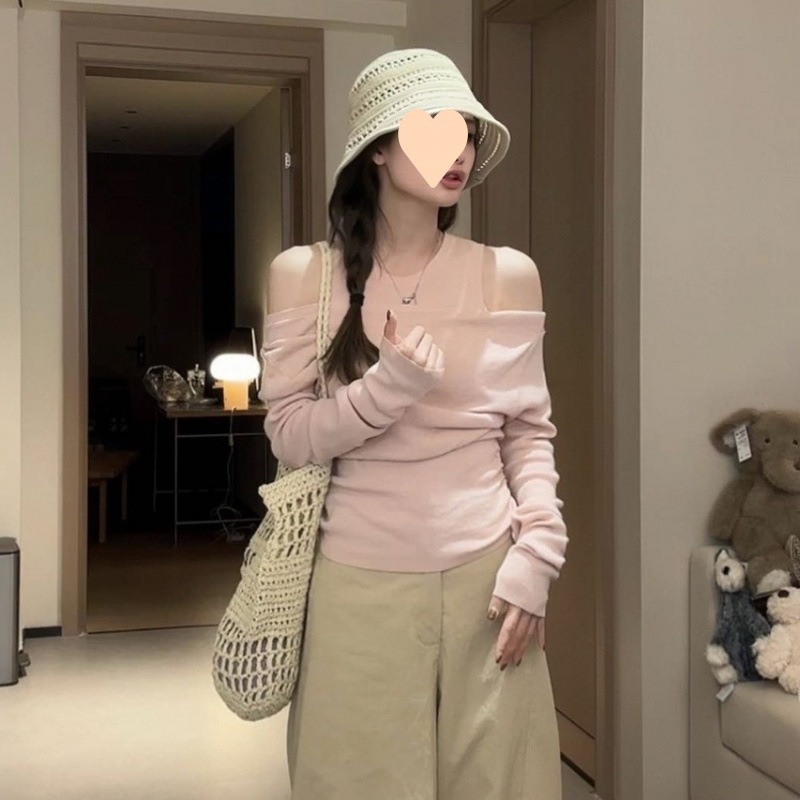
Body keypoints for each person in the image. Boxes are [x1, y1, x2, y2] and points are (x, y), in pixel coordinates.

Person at [259, 47, 569, 800]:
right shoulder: (304, 274)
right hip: (356, 588)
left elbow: (527, 432)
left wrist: (539, 554)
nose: (457, 151)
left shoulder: (508, 273)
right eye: (433, 128)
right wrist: (384, 392)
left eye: (466, 133)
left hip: (490, 581)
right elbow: (290, 434)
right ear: (376, 148)